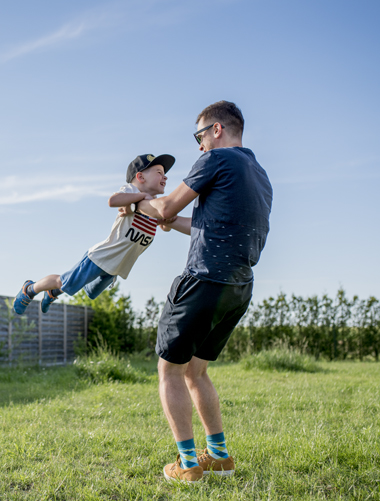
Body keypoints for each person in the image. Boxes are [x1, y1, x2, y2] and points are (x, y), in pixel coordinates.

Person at [132, 101, 273, 483]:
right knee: (196, 371)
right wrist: (171, 219)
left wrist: (141, 201)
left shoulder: (216, 159)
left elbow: (164, 206)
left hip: (204, 279)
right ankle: (220, 458)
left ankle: (188, 465)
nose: (199, 146)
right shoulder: (258, 173)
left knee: (169, 370)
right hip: (238, 286)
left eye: (199, 136)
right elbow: (208, 224)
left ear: (216, 129)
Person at [12, 154, 180, 315]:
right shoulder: (132, 191)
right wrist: (142, 196)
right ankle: (29, 289)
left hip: (117, 266)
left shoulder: (153, 204)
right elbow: (113, 201)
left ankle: (52, 293)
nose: (165, 177)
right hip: (101, 257)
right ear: (140, 177)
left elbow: (164, 228)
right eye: (159, 172)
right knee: (63, 281)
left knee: (89, 292)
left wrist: (167, 219)